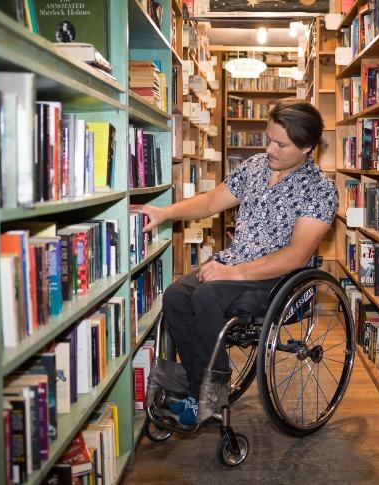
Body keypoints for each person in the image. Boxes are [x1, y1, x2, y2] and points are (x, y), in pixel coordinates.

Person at [131, 98, 339, 428]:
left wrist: (232, 272)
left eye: (280, 144)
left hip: (280, 280)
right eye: (268, 138)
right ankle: (205, 387)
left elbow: (296, 255)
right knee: (175, 296)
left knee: (206, 296)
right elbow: (211, 201)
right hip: (234, 264)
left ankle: (207, 394)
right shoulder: (255, 167)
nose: (269, 148)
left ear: (307, 147)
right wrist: (164, 213)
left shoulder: (321, 190)